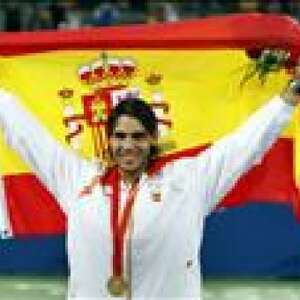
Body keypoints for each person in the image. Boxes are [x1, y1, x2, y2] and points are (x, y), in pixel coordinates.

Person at [0, 74, 300, 300]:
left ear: (153, 138)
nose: (127, 146)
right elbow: (27, 135)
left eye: (138, 137)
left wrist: (288, 97)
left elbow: (243, 146)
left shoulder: (187, 182)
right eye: (120, 137)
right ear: (109, 140)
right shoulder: (78, 179)